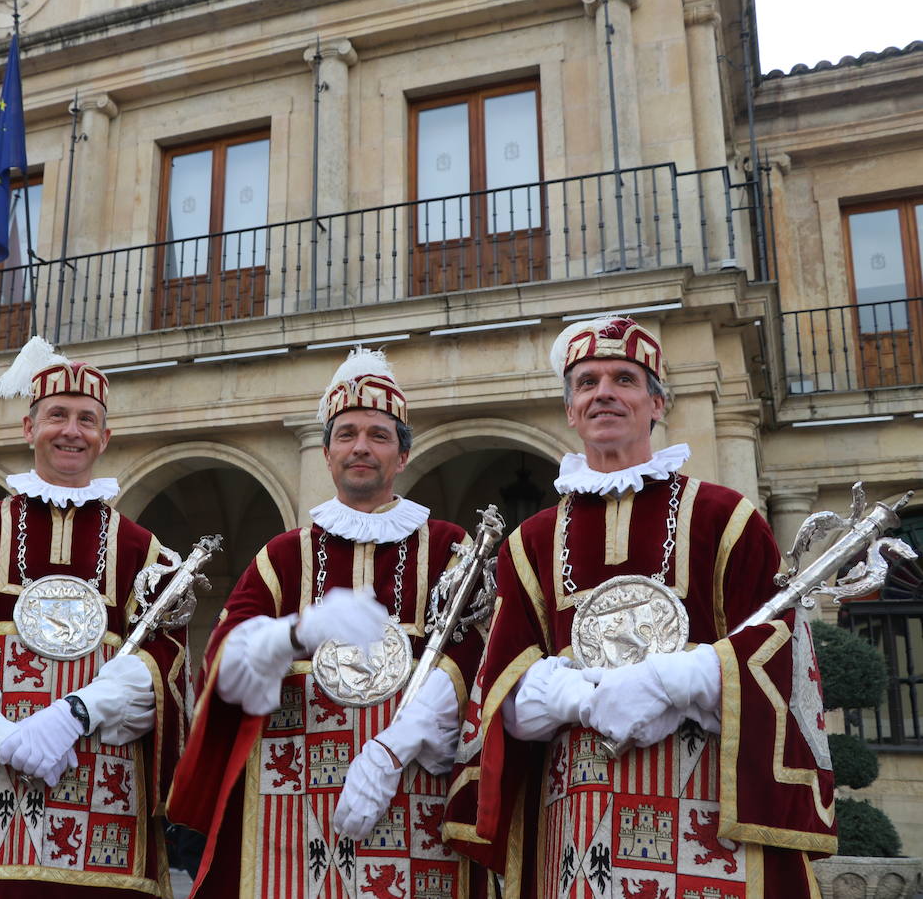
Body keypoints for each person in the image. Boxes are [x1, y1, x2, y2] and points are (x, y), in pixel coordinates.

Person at [443, 316, 836, 898]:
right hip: (575, 820)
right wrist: (568, 695)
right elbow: (498, 689)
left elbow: (783, 652)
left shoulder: (726, 519)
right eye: (585, 382)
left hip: (705, 812)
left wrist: (671, 681)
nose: (603, 392)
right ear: (571, 411)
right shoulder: (531, 542)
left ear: (657, 403)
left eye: (624, 379)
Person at [169, 348, 491, 899]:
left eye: (378, 435)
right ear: (325, 453)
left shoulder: (450, 547)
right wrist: (293, 634)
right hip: (290, 809)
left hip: (411, 793)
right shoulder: (283, 555)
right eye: (345, 434)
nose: (360, 447)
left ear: (403, 455)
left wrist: (394, 749)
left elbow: (480, 659)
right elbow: (222, 664)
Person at [0, 336, 187, 898]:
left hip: (105, 807)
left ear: (105, 437)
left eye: (87, 419)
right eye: (56, 416)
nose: (71, 430)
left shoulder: (151, 555)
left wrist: (72, 715)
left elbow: (157, 682)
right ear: (29, 429)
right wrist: (1, 737)